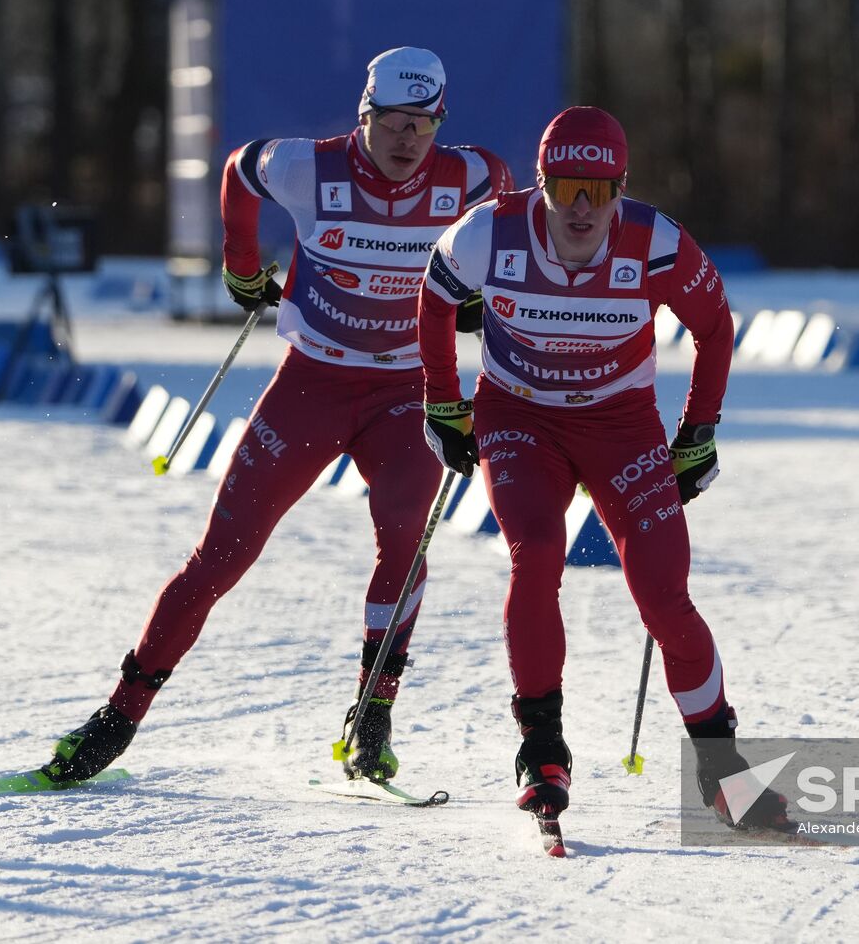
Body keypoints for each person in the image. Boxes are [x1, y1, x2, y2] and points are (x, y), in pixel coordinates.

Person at [40, 47, 513, 785]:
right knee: (221, 557)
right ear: (365, 117)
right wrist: (239, 263)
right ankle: (117, 718)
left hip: (406, 395)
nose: (406, 140)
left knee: (403, 547)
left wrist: (481, 294)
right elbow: (236, 170)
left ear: (439, 124)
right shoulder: (309, 168)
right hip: (312, 384)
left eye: (422, 124)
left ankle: (373, 719)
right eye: (391, 122)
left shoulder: (472, 177)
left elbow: (506, 214)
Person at [417, 106, 788, 830]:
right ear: (541, 184)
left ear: (622, 187)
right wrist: (443, 404)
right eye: (564, 188)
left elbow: (714, 328)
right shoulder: (488, 232)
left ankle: (723, 772)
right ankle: (542, 750)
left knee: (664, 596)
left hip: (621, 427)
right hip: (520, 419)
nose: (581, 209)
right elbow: (433, 300)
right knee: (537, 555)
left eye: (598, 189)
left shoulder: (656, 242)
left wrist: (698, 432)